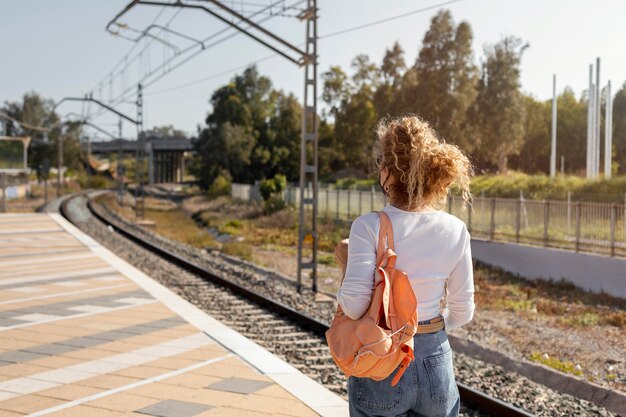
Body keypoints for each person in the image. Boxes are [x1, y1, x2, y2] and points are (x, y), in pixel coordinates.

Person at [336, 115, 475, 417]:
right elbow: (463, 313)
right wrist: (425, 328)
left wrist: (345, 264)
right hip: (435, 359)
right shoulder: (455, 230)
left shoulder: (368, 227)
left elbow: (355, 307)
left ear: (386, 172)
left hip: (382, 356)